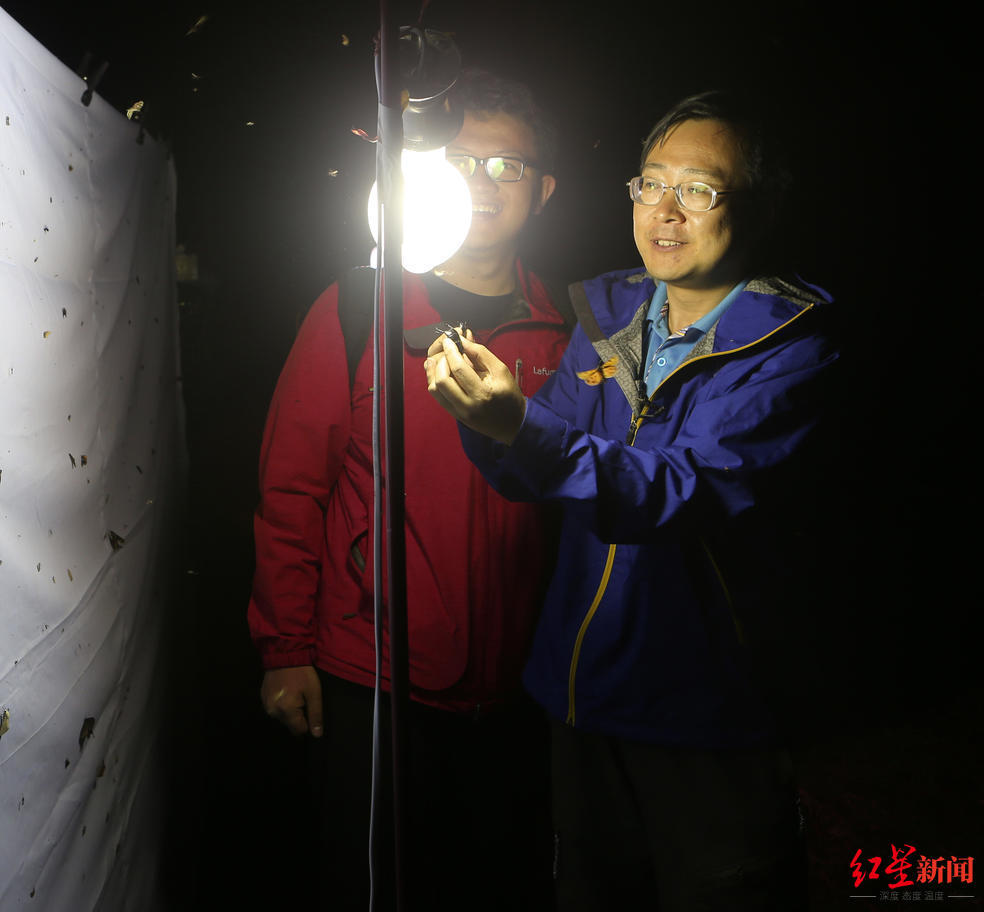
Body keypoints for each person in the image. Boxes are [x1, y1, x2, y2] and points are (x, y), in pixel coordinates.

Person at [425, 90, 837, 911]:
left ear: (754, 208)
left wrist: (521, 427)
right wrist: (486, 422)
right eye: (651, 184)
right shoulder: (609, 315)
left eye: (699, 189)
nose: (666, 212)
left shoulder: (791, 351)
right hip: (577, 692)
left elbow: (680, 493)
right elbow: (532, 473)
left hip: (705, 714)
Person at [248, 68, 570, 907]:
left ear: (543, 190)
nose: (484, 185)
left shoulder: (568, 335)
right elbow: (291, 488)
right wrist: (285, 651)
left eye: (508, 167)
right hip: (372, 680)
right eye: (463, 162)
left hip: (515, 691)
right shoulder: (361, 306)